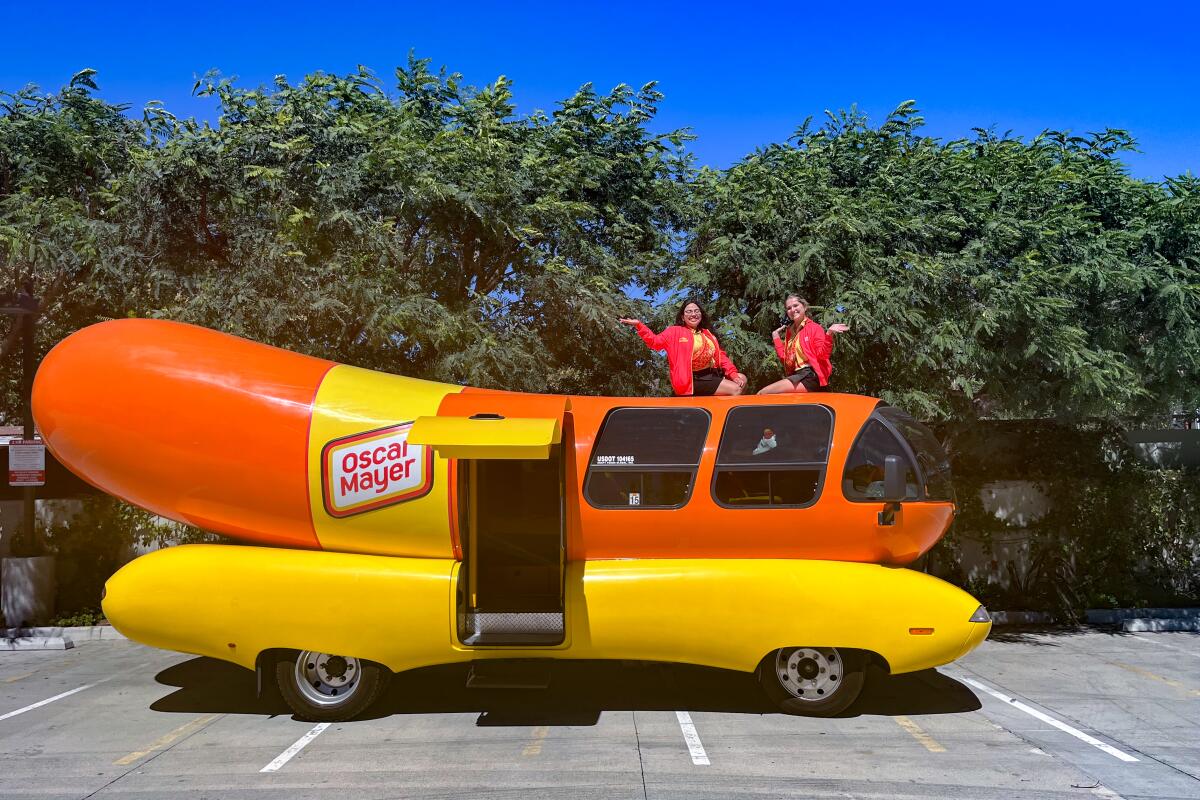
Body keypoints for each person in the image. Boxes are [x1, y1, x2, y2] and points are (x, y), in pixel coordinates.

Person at [619, 300, 747, 397]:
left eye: (696, 311)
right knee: (735, 389)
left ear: (701, 314)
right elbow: (655, 342)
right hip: (691, 379)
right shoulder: (674, 331)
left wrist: (733, 374)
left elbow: (721, 356)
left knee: (742, 378)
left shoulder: (707, 333)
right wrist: (639, 326)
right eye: (689, 311)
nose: (693, 314)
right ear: (682, 317)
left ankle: (717, 408)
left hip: (710, 374)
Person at [758, 294, 849, 394]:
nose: (792, 310)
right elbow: (785, 358)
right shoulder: (790, 332)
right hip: (796, 375)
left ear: (804, 307)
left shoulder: (814, 328)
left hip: (810, 376)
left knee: (764, 393)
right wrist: (776, 338)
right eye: (789, 308)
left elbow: (823, 355)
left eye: (795, 305)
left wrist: (829, 334)